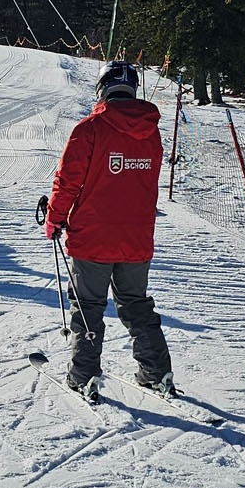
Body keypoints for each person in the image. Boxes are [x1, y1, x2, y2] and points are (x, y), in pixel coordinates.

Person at [45, 61, 173, 400]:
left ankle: (84, 374)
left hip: (93, 239)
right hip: (136, 238)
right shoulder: (151, 131)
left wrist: (54, 218)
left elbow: (67, 182)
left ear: (102, 89)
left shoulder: (89, 129)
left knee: (88, 305)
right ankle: (156, 370)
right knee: (135, 303)